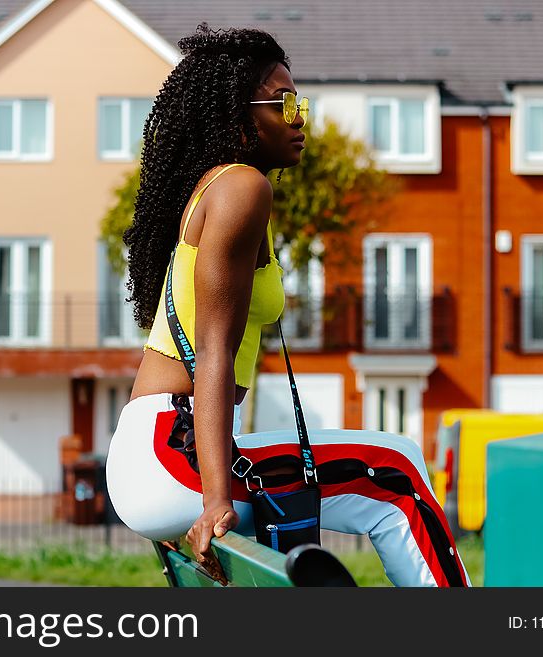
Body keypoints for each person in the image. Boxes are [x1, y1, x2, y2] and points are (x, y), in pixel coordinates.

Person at [105, 24, 470, 587]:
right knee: (395, 470)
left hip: (160, 451)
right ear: (235, 115)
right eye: (283, 103)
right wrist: (216, 501)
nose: (299, 117)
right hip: (172, 454)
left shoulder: (219, 188)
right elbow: (212, 353)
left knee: (385, 469)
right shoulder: (241, 187)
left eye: (300, 102)